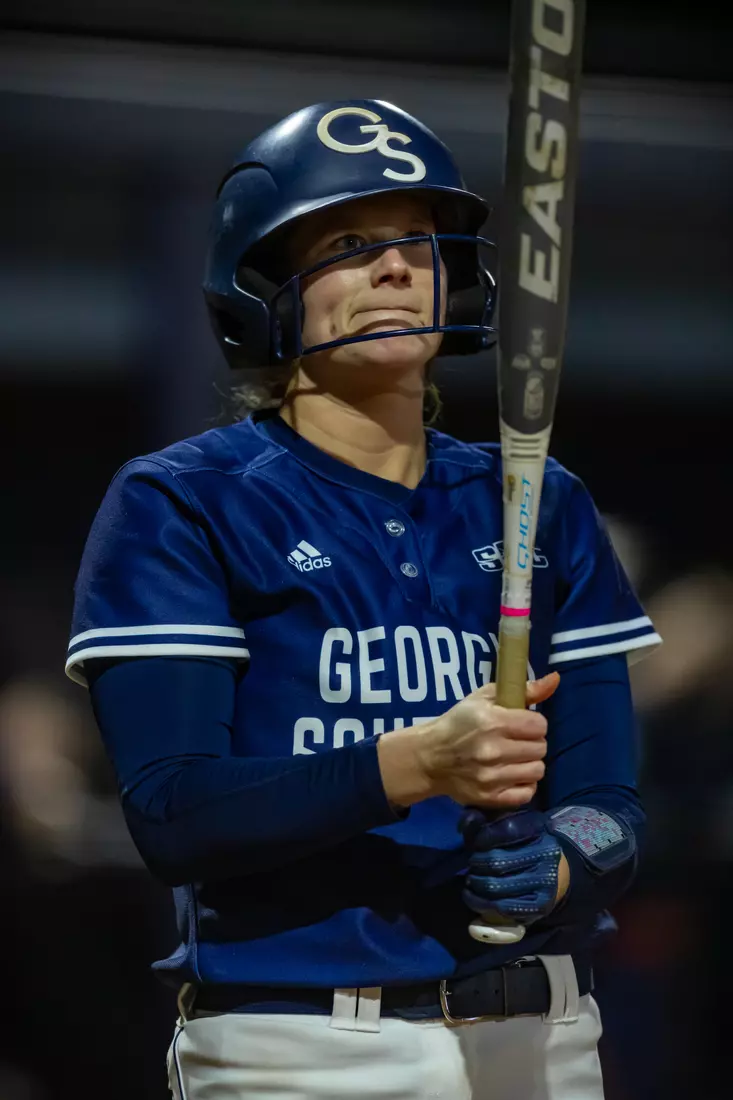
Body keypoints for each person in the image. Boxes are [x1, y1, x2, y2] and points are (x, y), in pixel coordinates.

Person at [66, 100, 661, 1100]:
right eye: (349, 243)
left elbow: (613, 809)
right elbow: (173, 814)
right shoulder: (182, 498)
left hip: (542, 1035)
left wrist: (561, 862)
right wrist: (418, 759)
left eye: (418, 244)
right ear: (263, 288)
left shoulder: (535, 495)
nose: (396, 268)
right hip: (304, 1045)